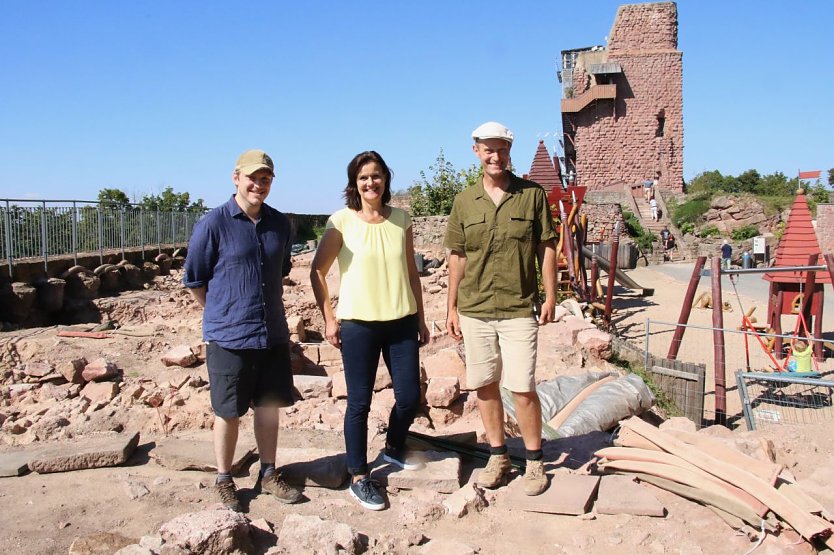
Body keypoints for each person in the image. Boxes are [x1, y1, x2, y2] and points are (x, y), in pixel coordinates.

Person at [183, 149, 302, 511]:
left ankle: (268, 473)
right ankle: (224, 479)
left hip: (272, 334)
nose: (258, 184)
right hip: (229, 337)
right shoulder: (213, 223)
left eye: (265, 178)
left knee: (268, 407)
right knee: (228, 411)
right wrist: (222, 313)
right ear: (236, 178)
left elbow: (280, 270)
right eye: (252, 177)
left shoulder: (280, 224)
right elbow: (195, 280)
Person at [310, 150, 430, 511]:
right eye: (363, 177)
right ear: (354, 184)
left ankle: (393, 447)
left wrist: (421, 318)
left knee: (409, 397)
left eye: (376, 175)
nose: (371, 182)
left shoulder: (402, 220)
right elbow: (317, 271)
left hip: (401, 321)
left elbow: (412, 273)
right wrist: (330, 319)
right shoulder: (341, 222)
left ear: (385, 179)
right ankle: (359, 475)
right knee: (359, 403)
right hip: (359, 325)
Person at [445, 122, 558, 496]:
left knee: (522, 387)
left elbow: (546, 248)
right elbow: (457, 257)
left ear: (510, 152)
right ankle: (498, 455)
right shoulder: (464, 201)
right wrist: (451, 307)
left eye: (502, 150)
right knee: (485, 386)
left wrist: (552, 296)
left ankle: (535, 461)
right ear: (476, 151)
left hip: (518, 307)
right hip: (474, 308)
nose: (496, 156)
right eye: (488, 150)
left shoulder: (532, 195)